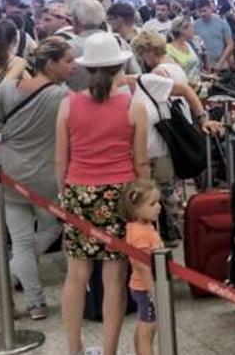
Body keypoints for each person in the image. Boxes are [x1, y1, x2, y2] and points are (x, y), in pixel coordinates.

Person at [0, 38, 75, 320]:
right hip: (43, 175)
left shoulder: (9, 88)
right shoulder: (62, 96)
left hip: (6, 170)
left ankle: (35, 302)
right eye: (69, 61)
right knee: (51, 228)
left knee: (21, 241)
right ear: (50, 63)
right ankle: (10, 279)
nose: (74, 66)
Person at [56, 32, 151, 355]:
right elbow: (141, 162)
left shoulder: (67, 104)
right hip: (120, 194)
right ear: (119, 66)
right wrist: (147, 200)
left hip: (78, 190)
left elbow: (61, 159)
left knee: (76, 275)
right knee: (114, 278)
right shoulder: (134, 106)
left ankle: (74, 348)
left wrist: (65, 193)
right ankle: (109, 350)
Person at [128, 30, 222, 242]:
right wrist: (202, 118)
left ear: (148, 52)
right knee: (173, 189)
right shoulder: (174, 66)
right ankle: (185, 233)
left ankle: (180, 234)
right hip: (177, 135)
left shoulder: (158, 73)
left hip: (162, 140)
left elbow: (182, 94)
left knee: (165, 193)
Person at [121, 179, 163, 355]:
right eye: (152, 203)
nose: (159, 207)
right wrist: (154, 292)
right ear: (136, 209)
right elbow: (142, 267)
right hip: (146, 288)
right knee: (148, 330)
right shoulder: (139, 234)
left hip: (141, 287)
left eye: (158, 202)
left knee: (142, 326)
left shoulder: (142, 225)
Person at [192, 0, 235, 72]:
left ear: (210, 8)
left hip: (221, 65)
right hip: (203, 66)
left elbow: (230, 44)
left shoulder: (222, 22)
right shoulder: (195, 25)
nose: (202, 14)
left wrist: (220, 62)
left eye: (204, 11)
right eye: (200, 11)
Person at [166, 16, 201, 82]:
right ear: (182, 30)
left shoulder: (188, 45)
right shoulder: (168, 49)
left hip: (198, 87)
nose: (193, 30)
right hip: (183, 89)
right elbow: (175, 76)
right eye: (191, 27)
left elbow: (193, 69)